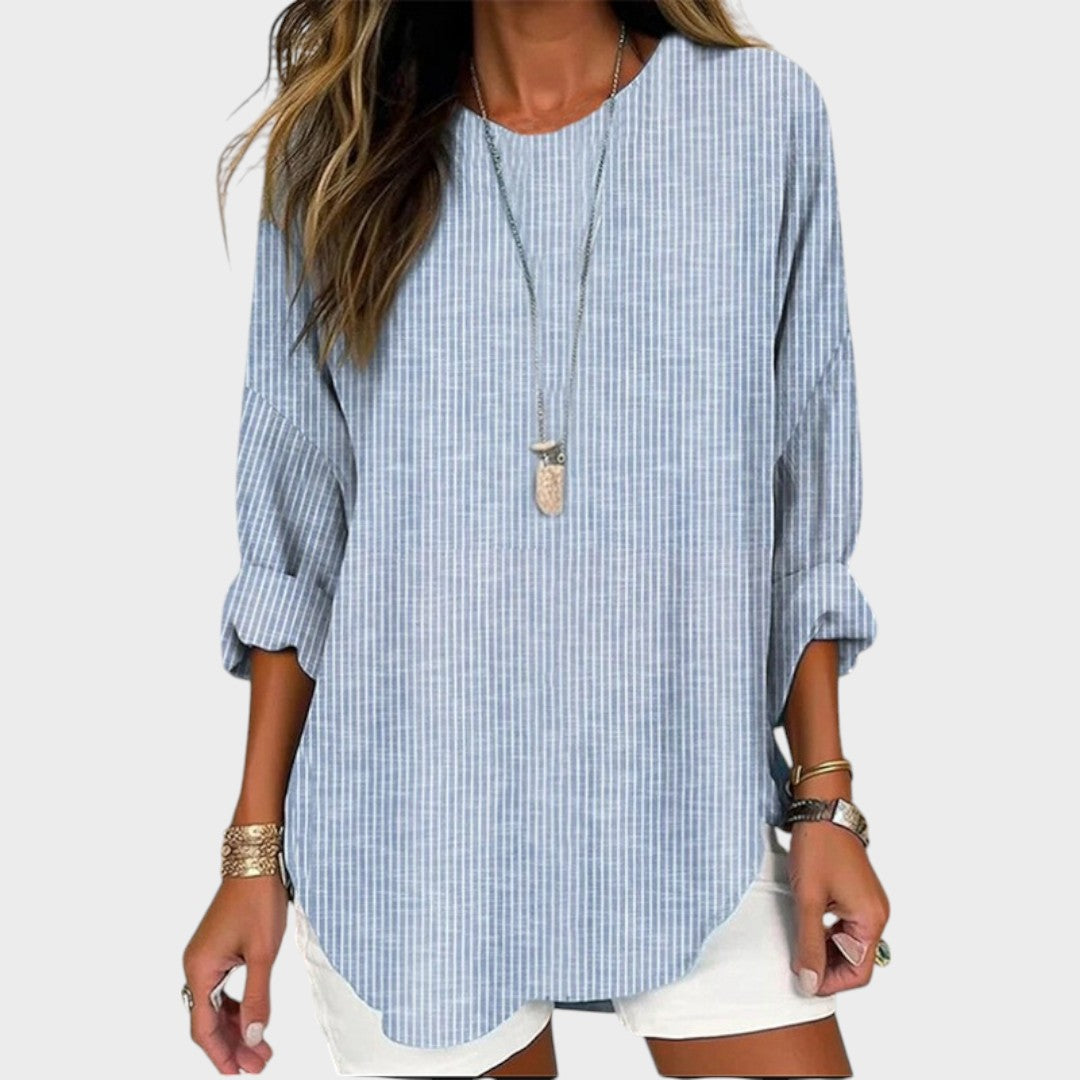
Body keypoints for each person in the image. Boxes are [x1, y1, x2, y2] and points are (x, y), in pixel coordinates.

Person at [181, 1, 892, 1076]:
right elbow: (296, 542)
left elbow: (804, 502)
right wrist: (253, 854)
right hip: (408, 835)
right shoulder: (341, 151)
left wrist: (825, 797)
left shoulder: (760, 120)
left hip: (691, 796)